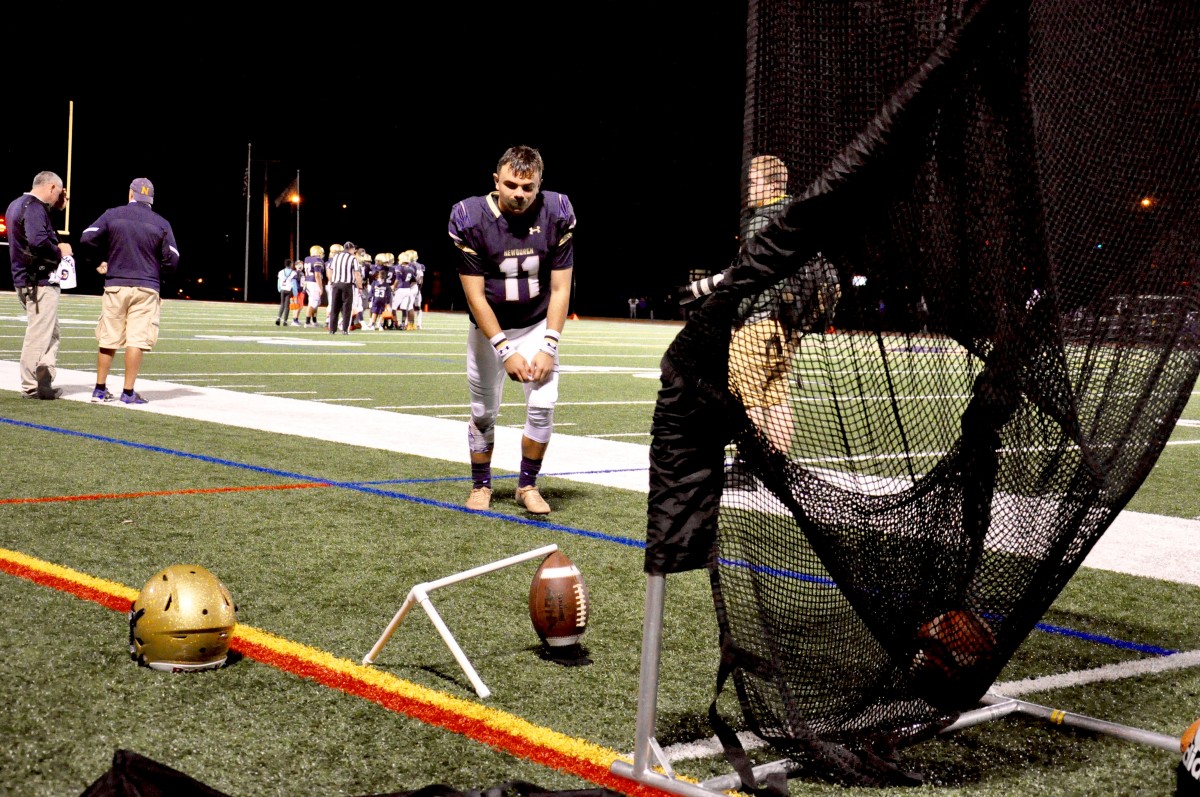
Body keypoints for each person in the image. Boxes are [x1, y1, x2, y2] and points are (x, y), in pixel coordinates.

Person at [448, 145, 576, 514]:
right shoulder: (469, 216)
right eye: (511, 185)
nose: (519, 194)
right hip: (490, 331)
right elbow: (475, 297)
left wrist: (548, 345)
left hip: (537, 323)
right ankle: (481, 484)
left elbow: (560, 288)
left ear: (539, 185)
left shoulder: (558, 211)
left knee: (543, 406)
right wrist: (505, 349)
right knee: (484, 412)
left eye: (528, 187)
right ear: (496, 181)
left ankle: (528, 485)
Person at [79, 177, 180, 405]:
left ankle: (99, 388)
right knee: (136, 339)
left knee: (109, 337)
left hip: (115, 283)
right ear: (151, 199)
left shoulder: (113, 214)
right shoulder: (161, 223)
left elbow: (87, 238)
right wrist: (156, 272)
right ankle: (127, 392)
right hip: (146, 287)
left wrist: (98, 261)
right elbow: (173, 259)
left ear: (130, 194)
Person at [8, 171, 70, 399]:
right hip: (38, 280)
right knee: (39, 334)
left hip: (26, 279)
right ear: (52, 187)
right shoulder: (34, 207)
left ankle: (44, 373)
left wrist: (56, 207)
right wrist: (59, 250)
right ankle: (32, 385)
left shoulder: (17, 204)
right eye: (58, 193)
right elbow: (37, 240)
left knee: (51, 331)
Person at [325, 241, 358, 335]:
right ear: (351, 249)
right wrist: (359, 287)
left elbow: (329, 270)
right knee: (347, 308)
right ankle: (345, 330)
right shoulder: (352, 258)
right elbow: (357, 273)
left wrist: (331, 281)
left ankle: (332, 329)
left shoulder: (336, 257)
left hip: (336, 284)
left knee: (334, 307)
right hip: (347, 284)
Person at [300, 245, 326, 326]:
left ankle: (314, 321)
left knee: (315, 302)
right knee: (312, 303)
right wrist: (321, 287)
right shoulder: (318, 260)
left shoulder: (307, 258)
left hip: (307, 282)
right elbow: (317, 275)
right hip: (314, 283)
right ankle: (307, 322)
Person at [275, 258, 298, 326]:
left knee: (282, 304)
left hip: (282, 289)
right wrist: (295, 293)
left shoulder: (281, 272)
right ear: (291, 264)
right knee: (287, 306)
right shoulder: (293, 273)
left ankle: (278, 318)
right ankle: (285, 321)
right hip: (289, 290)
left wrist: (279, 289)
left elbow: (279, 281)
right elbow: (294, 283)